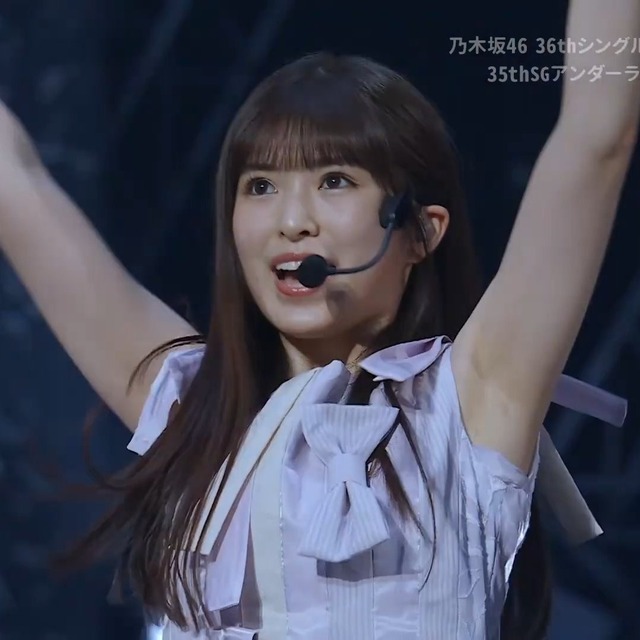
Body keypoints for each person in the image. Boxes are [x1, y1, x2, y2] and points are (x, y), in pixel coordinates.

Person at [0, 0, 637, 638]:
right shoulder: (190, 405)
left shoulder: (472, 400)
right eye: (260, 186)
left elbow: (596, 140)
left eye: (334, 181)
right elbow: (18, 185)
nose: (291, 220)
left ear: (420, 232)